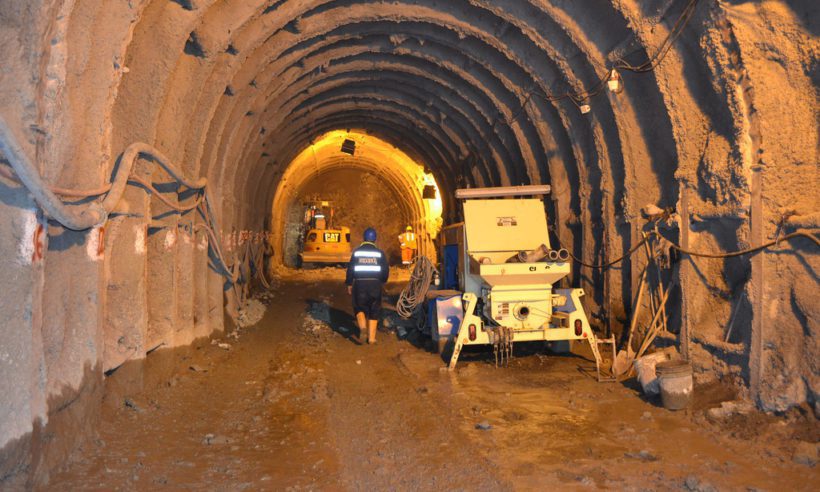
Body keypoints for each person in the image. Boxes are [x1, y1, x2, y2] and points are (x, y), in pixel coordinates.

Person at [346, 227, 389, 344]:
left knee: (359, 307)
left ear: (364, 238)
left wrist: (349, 283)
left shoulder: (357, 252)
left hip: (359, 284)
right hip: (375, 284)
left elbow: (350, 269)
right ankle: (371, 338)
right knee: (374, 310)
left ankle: (363, 328)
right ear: (375, 239)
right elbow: (385, 271)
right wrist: (382, 281)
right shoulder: (380, 254)